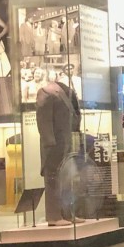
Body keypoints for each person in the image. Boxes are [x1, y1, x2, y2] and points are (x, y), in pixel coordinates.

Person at [36, 79, 78, 226]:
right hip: (53, 144)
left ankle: (67, 213)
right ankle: (53, 216)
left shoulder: (66, 91)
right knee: (52, 180)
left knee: (66, 179)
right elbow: (43, 120)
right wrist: (49, 141)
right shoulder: (47, 92)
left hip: (65, 142)